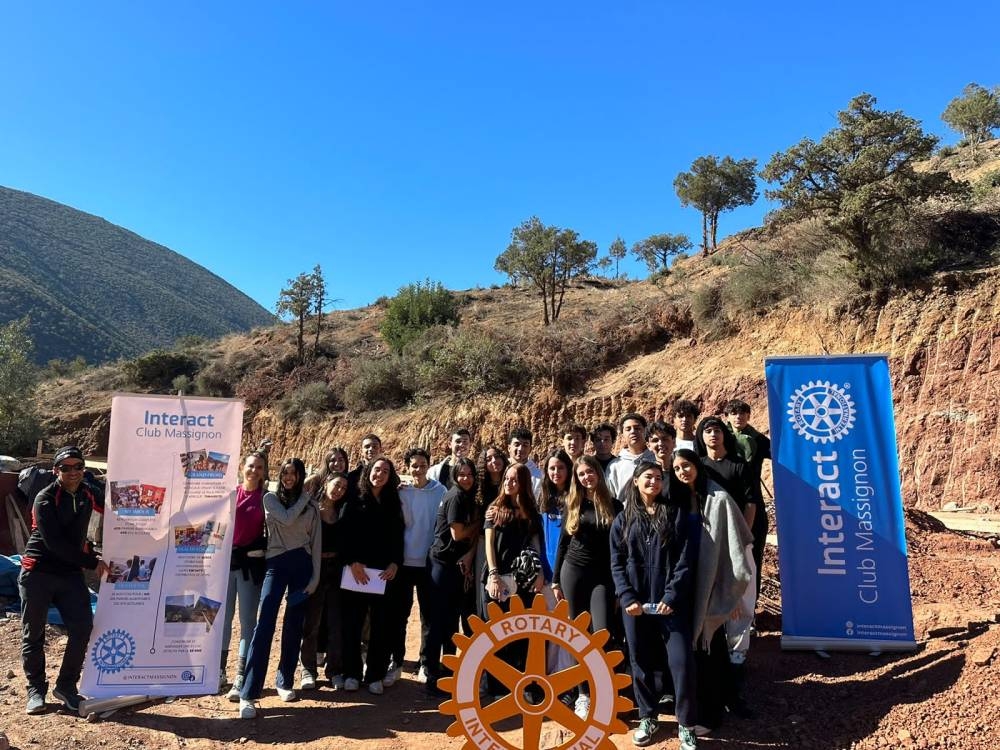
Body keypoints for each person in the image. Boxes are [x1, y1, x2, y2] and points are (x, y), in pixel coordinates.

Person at [611, 460, 698, 749]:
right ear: (636, 480)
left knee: (681, 662)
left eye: (659, 478)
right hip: (635, 606)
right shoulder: (623, 519)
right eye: (648, 477)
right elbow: (617, 563)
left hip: (670, 605)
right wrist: (627, 597)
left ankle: (686, 724)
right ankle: (648, 716)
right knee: (640, 662)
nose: (654, 482)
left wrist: (671, 597)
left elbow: (685, 561)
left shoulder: (675, 514)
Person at [19, 446, 108, 715]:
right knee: (34, 633)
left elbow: (115, 508)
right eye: (66, 468)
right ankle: (35, 690)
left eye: (78, 466)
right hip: (39, 572)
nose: (73, 472)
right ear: (56, 470)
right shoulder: (45, 498)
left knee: (82, 628)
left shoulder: (88, 493)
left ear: (84, 469)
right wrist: (93, 562)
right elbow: (55, 544)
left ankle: (66, 686)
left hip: (69, 573)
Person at [671, 448, 754, 733]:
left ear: (697, 465)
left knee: (711, 647)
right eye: (677, 468)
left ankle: (711, 715)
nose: (682, 472)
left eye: (686, 465)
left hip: (712, 585)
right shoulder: (676, 499)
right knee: (692, 650)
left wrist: (731, 594)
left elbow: (735, 551)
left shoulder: (719, 499)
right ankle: (701, 707)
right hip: (685, 585)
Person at [239, 458, 322, 719]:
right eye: (285, 473)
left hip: (302, 567)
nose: (288, 477)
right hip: (275, 566)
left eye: (294, 473)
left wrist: (315, 578)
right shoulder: (270, 499)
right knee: (264, 625)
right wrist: (305, 497)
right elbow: (287, 519)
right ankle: (248, 693)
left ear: (300, 476)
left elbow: (316, 543)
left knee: (294, 625)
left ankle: (284, 680)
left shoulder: (312, 507)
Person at [552, 455, 621, 719]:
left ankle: (604, 692)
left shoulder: (615, 505)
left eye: (590, 472)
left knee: (602, 633)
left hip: (603, 576)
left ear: (598, 473)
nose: (586, 477)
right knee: (578, 635)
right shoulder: (573, 503)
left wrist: (620, 584)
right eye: (581, 474)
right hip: (574, 573)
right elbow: (562, 544)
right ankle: (584, 694)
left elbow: (620, 548)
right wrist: (555, 580)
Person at [338, 456, 404, 696]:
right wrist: (352, 561)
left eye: (386, 471)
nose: (380, 474)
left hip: (382, 575)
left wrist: (395, 563)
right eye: (377, 470)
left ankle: (375, 674)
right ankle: (351, 674)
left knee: (381, 625)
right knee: (352, 624)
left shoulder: (393, 502)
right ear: (368, 472)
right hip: (356, 573)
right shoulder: (353, 500)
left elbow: (398, 536)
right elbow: (343, 535)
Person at [483, 463, 544, 698]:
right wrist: (493, 575)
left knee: (522, 635)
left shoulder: (531, 513)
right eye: (506, 478)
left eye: (514, 480)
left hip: (523, 581)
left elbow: (535, 544)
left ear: (524, 483)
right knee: (498, 634)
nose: (508, 483)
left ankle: (523, 686)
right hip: (498, 578)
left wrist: (539, 573)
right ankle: (498, 688)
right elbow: (489, 545)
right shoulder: (495, 509)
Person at [424, 457, 480, 698]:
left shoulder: (466, 496)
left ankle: (447, 673)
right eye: (461, 474)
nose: (465, 478)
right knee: (439, 622)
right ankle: (433, 676)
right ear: (455, 476)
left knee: (450, 622)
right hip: (442, 565)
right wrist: (480, 524)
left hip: (453, 566)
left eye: (469, 474)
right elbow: (457, 534)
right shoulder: (456, 496)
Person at [391, 448, 447, 686]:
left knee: (429, 617)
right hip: (403, 563)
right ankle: (396, 662)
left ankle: (426, 663)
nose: (418, 470)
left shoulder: (440, 491)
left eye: (423, 465)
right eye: (414, 465)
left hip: (429, 562)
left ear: (428, 466)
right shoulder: (401, 492)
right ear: (408, 467)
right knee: (399, 615)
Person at [221, 452, 268, 700]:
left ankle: (241, 675)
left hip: (250, 567)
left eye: (259, 467)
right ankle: (219, 671)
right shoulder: (230, 494)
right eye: (251, 466)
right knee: (223, 618)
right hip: (226, 564)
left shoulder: (266, 499)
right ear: (242, 467)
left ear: (264, 471)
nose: (254, 471)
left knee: (247, 621)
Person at [299, 472, 349, 690]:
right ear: (327, 482)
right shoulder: (311, 510)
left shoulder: (343, 512)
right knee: (311, 623)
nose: (339, 490)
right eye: (336, 485)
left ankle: (334, 670)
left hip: (337, 570)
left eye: (343, 488)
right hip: (315, 569)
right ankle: (308, 670)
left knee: (336, 623)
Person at [723, 399, 771, 601]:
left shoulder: (758, 439)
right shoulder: (719, 436)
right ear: (727, 416)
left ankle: (751, 604)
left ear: (749, 416)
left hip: (754, 501)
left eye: (742, 413)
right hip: (727, 501)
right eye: (734, 413)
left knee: (754, 554)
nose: (738, 417)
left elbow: (781, 454)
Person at [606, 413, 656, 498]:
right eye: (628, 429)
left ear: (645, 431)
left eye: (637, 428)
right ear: (622, 435)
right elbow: (611, 498)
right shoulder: (615, 466)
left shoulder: (656, 459)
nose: (633, 431)